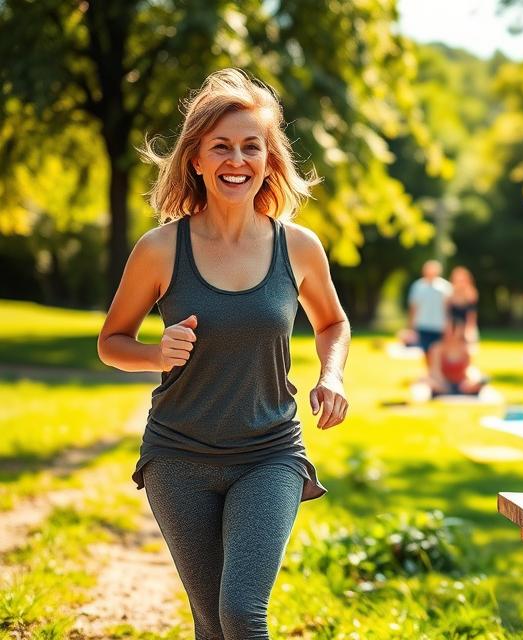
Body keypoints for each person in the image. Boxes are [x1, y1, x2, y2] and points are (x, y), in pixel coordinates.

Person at [96, 69, 348, 639]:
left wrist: (332, 375)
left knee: (241, 612)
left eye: (251, 146)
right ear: (196, 160)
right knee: (211, 621)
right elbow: (111, 343)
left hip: (269, 452)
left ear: (269, 159)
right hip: (177, 455)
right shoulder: (161, 248)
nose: (237, 160)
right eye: (221, 147)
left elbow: (333, 322)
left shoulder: (298, 247)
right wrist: (156, 354)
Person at [407, 259, 452, 368]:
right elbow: (413, 307)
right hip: (423, 324)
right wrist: (411, 326)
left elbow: (449, 308)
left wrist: (448, 324)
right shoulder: (418, 286)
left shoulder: (445, 287)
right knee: (426, 351)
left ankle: (437, 371)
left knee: (438, 351)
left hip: (440, 325)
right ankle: (430, 371)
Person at [426, 322, 487, 396]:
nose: (452, 335)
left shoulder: (465, 348)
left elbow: (469, 369)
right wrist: (444, 384)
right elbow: (435, 371)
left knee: (479, 379)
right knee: (426, 381)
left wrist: (470, 380)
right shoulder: (437, 348)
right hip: (442, 383)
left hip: (461, 384)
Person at [447, 265, 479, 344]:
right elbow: (447, 313)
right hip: (453, 327)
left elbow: (472, 314)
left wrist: (469, 329)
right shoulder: (449, 294)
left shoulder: (471, 294)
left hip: (466, 326)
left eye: (462, 280)